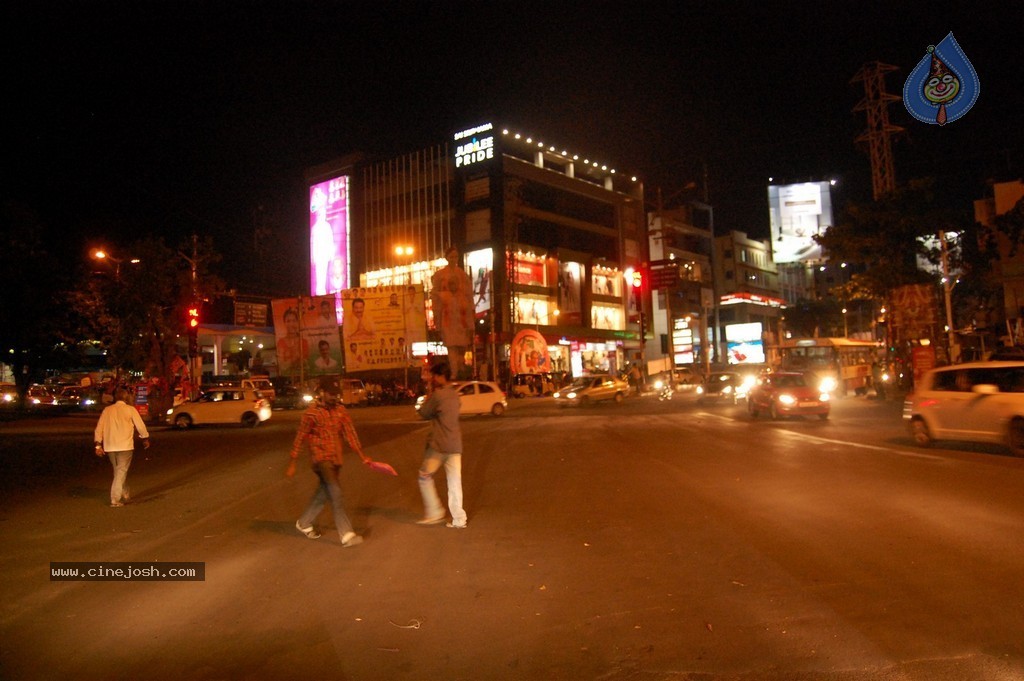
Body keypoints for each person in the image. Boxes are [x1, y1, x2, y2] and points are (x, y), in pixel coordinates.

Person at [286, 375, 369, 547]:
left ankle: (304, 523)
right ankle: (346, 534)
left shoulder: (340, 411)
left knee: (323, 493)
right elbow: (300, 437)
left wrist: (363, 456)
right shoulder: (311, 414)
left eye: (336, 394)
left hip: (335, 460)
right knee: (336, 493)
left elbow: (350, 434)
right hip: (321, 460)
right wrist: (292, 462)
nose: (335, 397)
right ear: (322, 393)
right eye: (331, 394)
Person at [415, 361, 467, 529]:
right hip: (455, 445)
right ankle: (459, 519)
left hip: (439, 446)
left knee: (424, 475)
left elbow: (424, 412)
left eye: (434, 376)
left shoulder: (438, 395)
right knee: (454, 483)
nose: (432, 378)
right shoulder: (455, 395)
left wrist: (429, 393)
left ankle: (435, 511)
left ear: (439, 376)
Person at [93, 387, 150, 507]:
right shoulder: (130, 409)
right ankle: (115, 498)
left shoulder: (107, 410)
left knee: (118, 471)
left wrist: (98, 444)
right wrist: (145, 438)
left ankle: (125, 493)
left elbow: (99, 428)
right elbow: (140, 425)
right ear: (126, 397)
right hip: (125, 446)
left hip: (110, 446)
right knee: (121, 472)